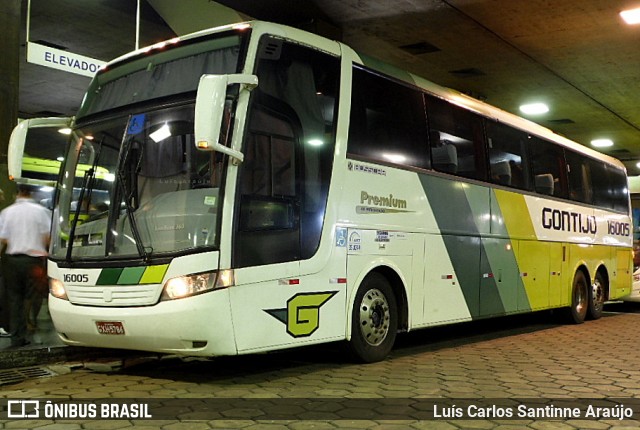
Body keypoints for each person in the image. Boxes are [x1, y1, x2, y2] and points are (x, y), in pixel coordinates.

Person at [0, 183, 51, 347]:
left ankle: (17, 336)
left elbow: (3, 239)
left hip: (12, 261)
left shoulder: (7, 212)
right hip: (33, 262)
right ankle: (31, 325)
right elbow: (47, 238)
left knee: (14, 299)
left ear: (17, 193)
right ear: (31, 193)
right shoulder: (42, 211)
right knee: (32, 297)